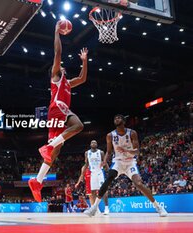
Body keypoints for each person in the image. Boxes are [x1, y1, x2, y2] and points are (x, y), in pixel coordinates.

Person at [29, 20, 88, 202]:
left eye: (61, 67)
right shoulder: (56, 77)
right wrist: (56, 32)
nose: (62, 67)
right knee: (77, 127)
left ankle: (37, 181)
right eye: (60, 66)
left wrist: (84, 61)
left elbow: (82, 78)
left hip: (64, 111)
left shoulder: (68, 83)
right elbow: (58, 52)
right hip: (56, 111)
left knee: (54, 154)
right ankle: (48, 149)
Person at [84, 114, 168, 217]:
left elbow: (137, 151)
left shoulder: (132, 133)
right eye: (115, 118)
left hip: (130, 162)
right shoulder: (110, 135)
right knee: (108, 179)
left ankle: (158, 207)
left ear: (124, 121)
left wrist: (126, 150)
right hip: (118, 162)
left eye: (119, 118)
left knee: (139, 184)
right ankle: (94, 208)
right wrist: (104, 161)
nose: (116, 119)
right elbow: (109, 152)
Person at [76, 140, 109, 215]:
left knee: (103, 190)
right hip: (92, 173)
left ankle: (106, 208)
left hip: (100, 173)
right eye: (92, 142)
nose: (94, 143)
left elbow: (105, 162)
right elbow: (86, 164)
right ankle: (95, 208)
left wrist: (109, 171)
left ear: (97, 145)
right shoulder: (87, 153)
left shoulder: (101, 152)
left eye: (95, 142)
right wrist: (82, 175)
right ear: (90, 144)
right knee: (93, 191)